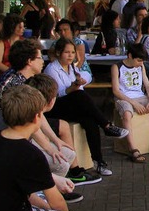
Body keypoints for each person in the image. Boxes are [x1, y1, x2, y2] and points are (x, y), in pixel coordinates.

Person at [0, 84, 114, 211]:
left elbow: (20, 189)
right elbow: (57, 202)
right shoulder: (31, 154)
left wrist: (47, 209)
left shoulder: (1, 139)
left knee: (41, 201)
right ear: (37, 117)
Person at [0, 39, 100, 191]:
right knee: (57, 155)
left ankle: (72, 174)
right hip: (7, 134)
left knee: (79, 121)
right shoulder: (18, 85)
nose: (43, 61)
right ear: (29, 61)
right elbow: (29, 121)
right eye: (39, 57)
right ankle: (53, 189)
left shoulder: (21, 77)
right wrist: (48, 147)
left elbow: (36, 115)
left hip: (16, 129)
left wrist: (54, 141)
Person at [44, 37, 129, 176]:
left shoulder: (72, 68)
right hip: (55, 106)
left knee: (90, 120)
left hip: (71, 104)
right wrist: (74, 87)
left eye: (72, 52)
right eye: (67, 52)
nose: (71, 55)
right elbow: (57, 94)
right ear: (59, 53)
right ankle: (107, 126)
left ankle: (99, 162)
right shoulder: (52, 69)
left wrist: (78, 85)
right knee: (80, 95)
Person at [54, 19, 92, 85]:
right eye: (60, 30)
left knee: (78, 83)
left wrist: (74, 72)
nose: (63, 33)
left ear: (71, 30)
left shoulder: (78, 42)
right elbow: (52, 56)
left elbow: (80, 60)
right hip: (63, 71)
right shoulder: (55, 43)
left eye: (65, 30)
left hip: (81, 70)